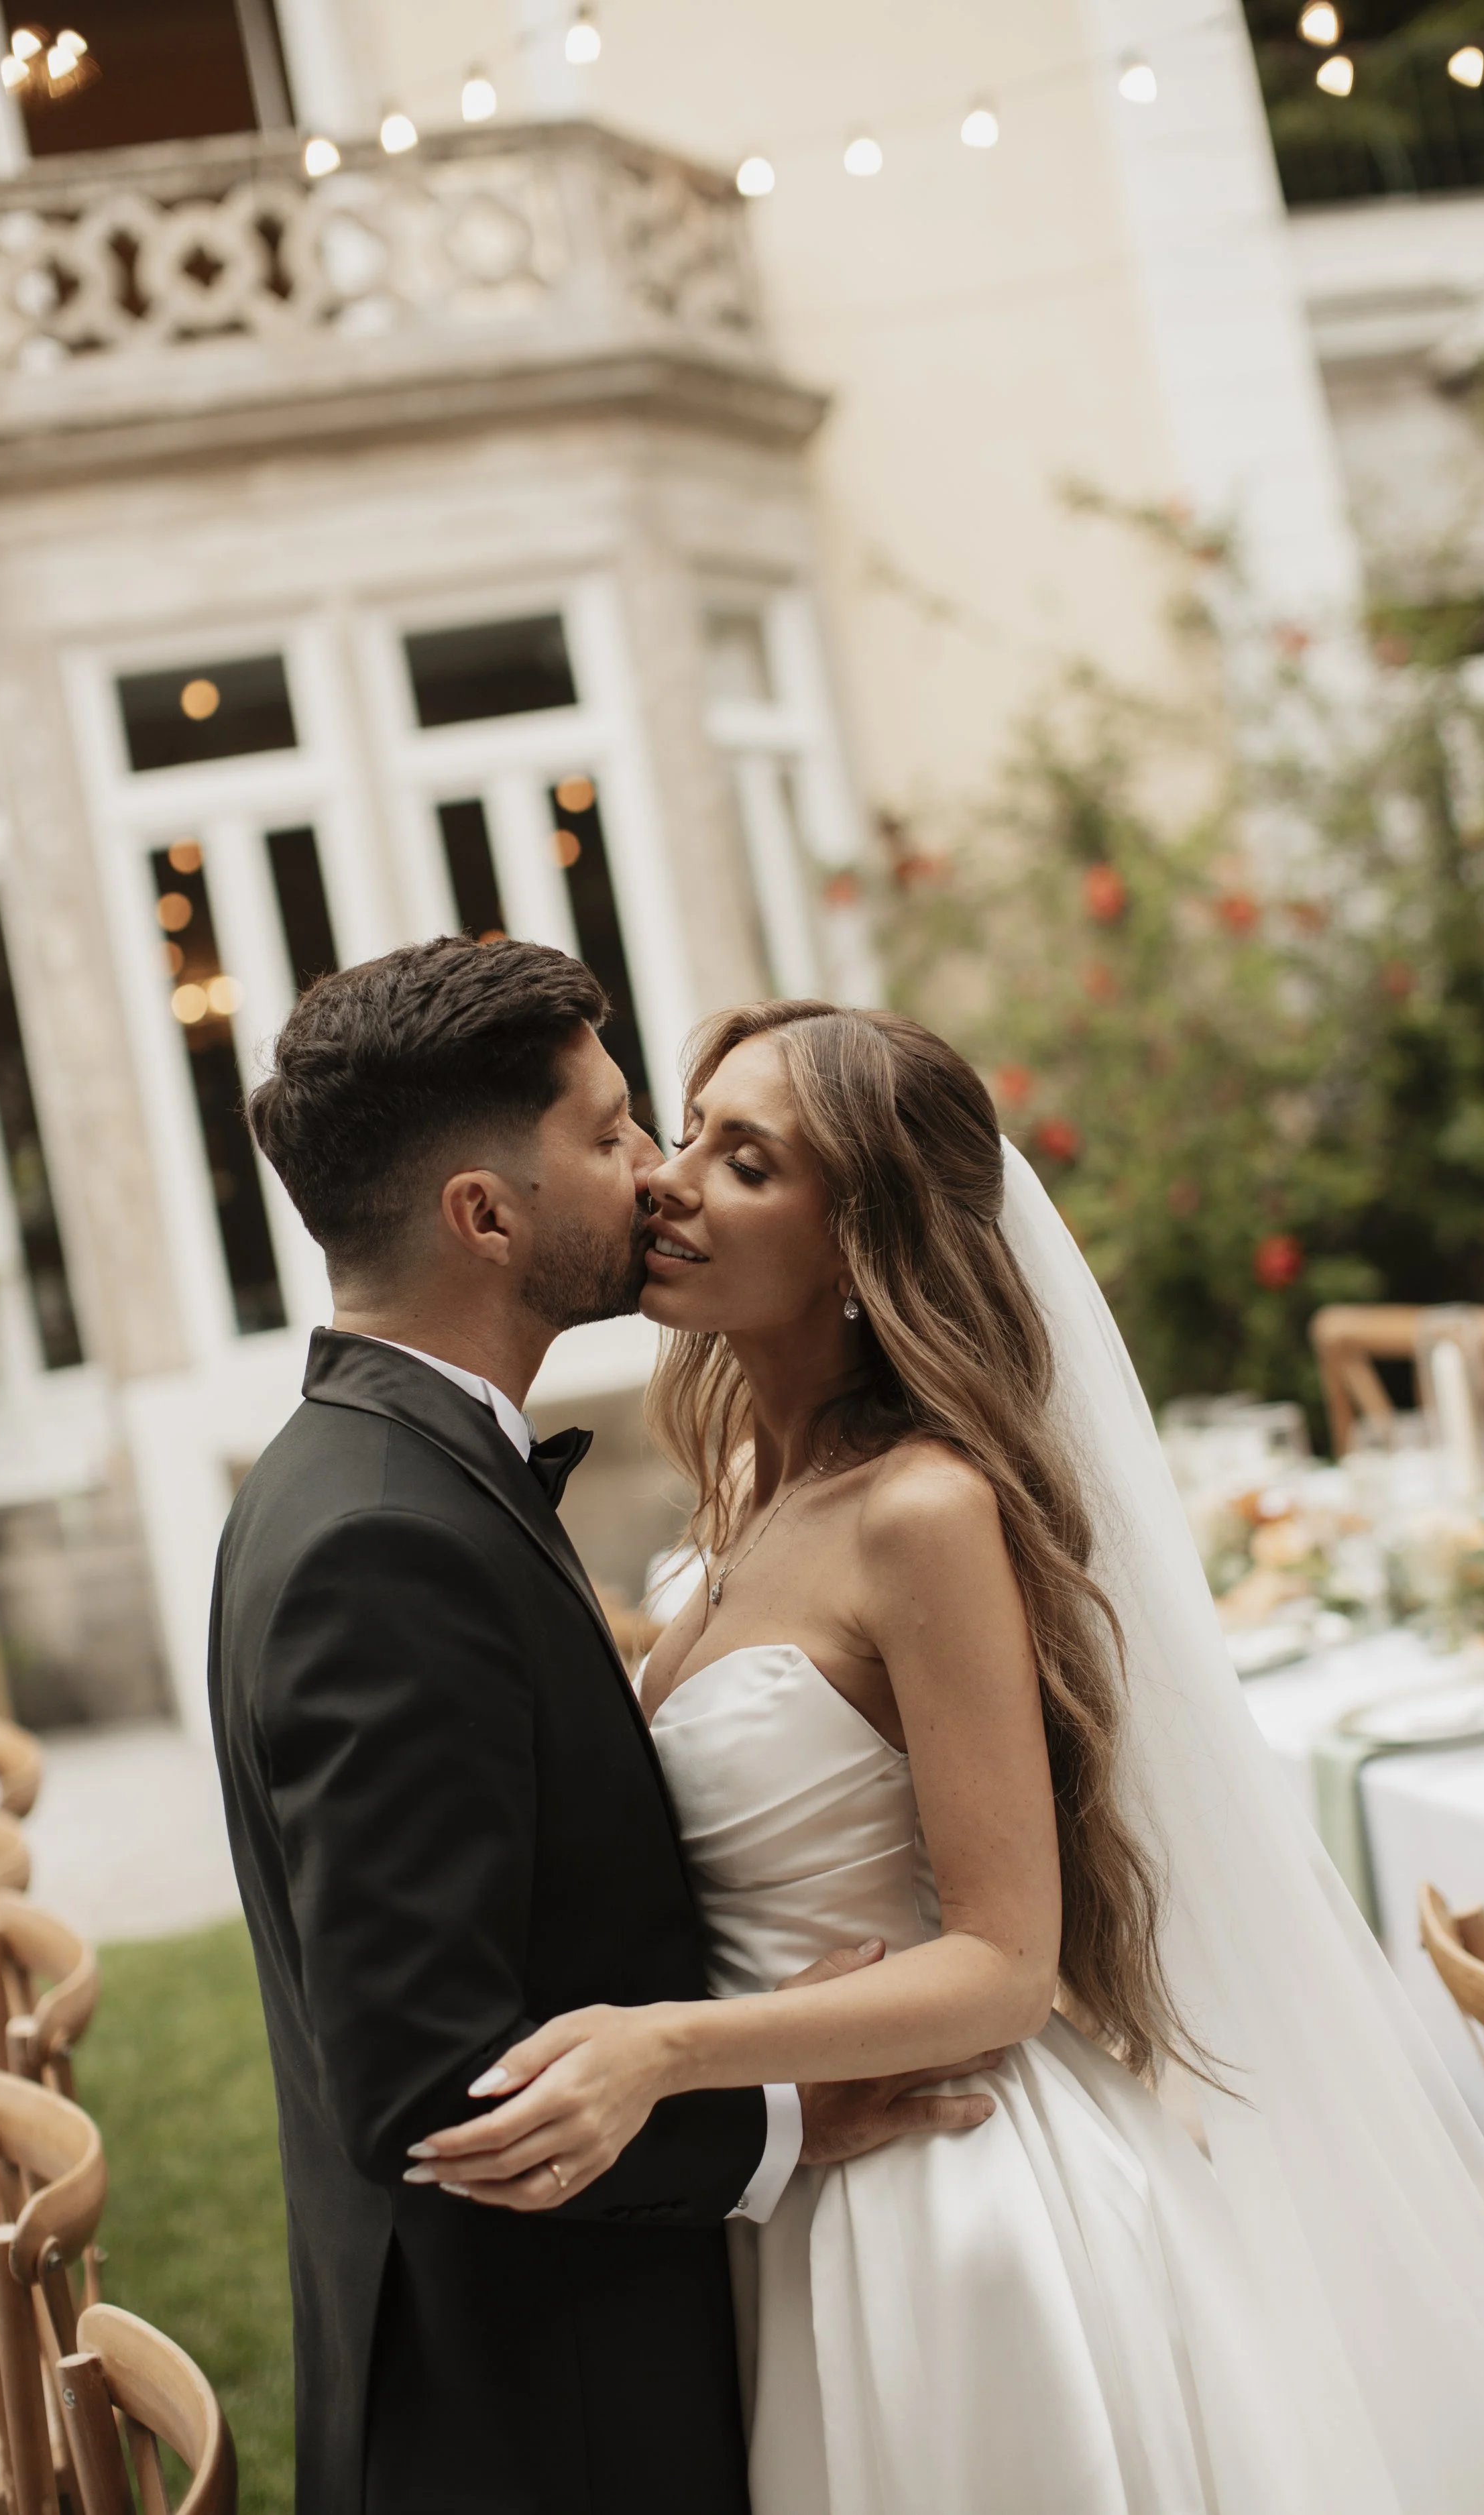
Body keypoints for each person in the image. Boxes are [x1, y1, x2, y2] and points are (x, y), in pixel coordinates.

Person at [418, 999, 1484, 2514]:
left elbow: (1001, 1961)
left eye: (748, 1162)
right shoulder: (733, 1492)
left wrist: (667, 2050)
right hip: (788, 2183)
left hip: (946, 2218)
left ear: (864, 1242)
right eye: (688, 1129)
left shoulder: (922, 1515)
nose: (671, 1180)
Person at [209, 942, 994, 2515]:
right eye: (616, 1130)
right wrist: (772, 2116)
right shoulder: (387, 1536)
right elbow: (430, 2088)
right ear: (485, 1216)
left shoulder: (375, 1472)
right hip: (542, 2420)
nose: (656, 1173)